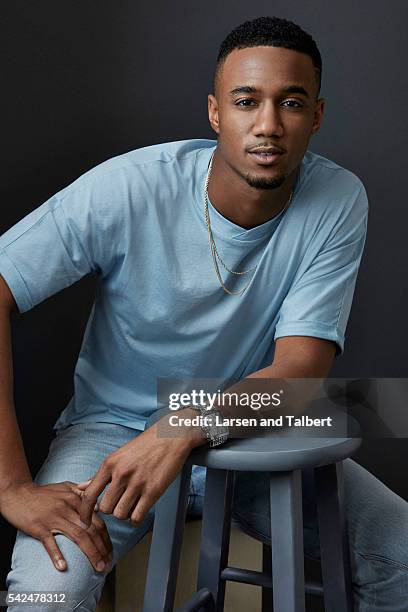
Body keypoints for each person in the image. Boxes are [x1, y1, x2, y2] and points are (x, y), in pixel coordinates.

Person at [0, 14, 407, 611]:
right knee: (43, 599)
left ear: (315, 116)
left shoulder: (337, 199)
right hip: (114, 431)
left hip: (245, 432)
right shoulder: (133, 186)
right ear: (217, 113)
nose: (268, 125)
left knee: (401, 548)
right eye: (247, 102)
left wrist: (183, 426)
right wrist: (11, 486)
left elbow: (299, 375)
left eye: (290, 103)